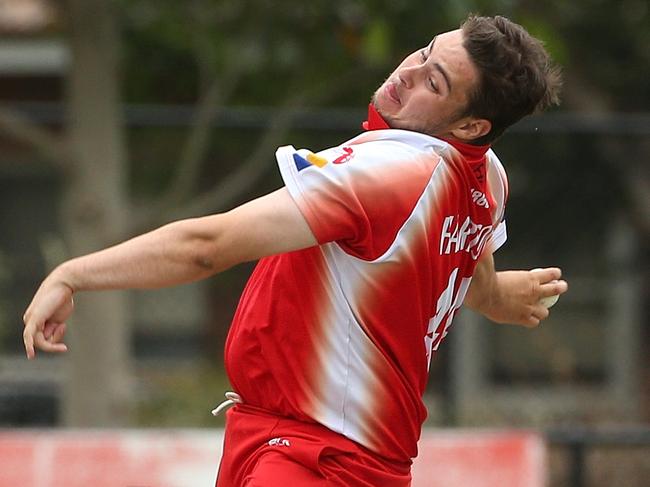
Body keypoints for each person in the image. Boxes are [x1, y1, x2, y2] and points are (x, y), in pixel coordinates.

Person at [23, 14, 567, 487]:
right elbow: (466, 275)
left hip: (319, 456)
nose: (407, 73)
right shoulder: (487, 176)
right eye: (423, 52)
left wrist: (72, 274)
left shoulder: (393, 172)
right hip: (303, 443)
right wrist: (496, 296)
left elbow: (207, 248)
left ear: (472, 124)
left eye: (435, 82)